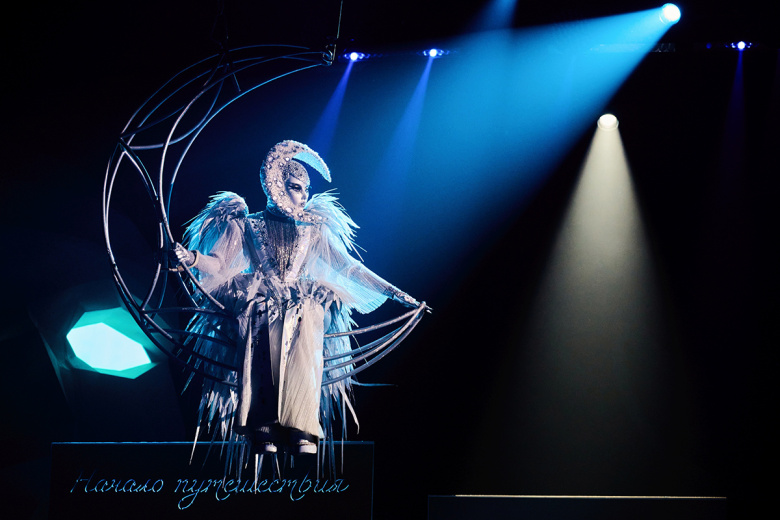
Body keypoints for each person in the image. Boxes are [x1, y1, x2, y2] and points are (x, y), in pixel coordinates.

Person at [172, 140, 421, 458]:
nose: (303, 196)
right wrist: (191, 257)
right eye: (295, 187)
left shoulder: (312, 228)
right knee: (260, 323)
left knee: (306, 325)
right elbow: (219, 263)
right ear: (275, 184)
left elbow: (347, 266)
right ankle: (263, 424)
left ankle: (300, 426)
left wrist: (393, 291)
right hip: (260, 298)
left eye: (306, 190)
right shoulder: (248, 224)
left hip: (300, 300)